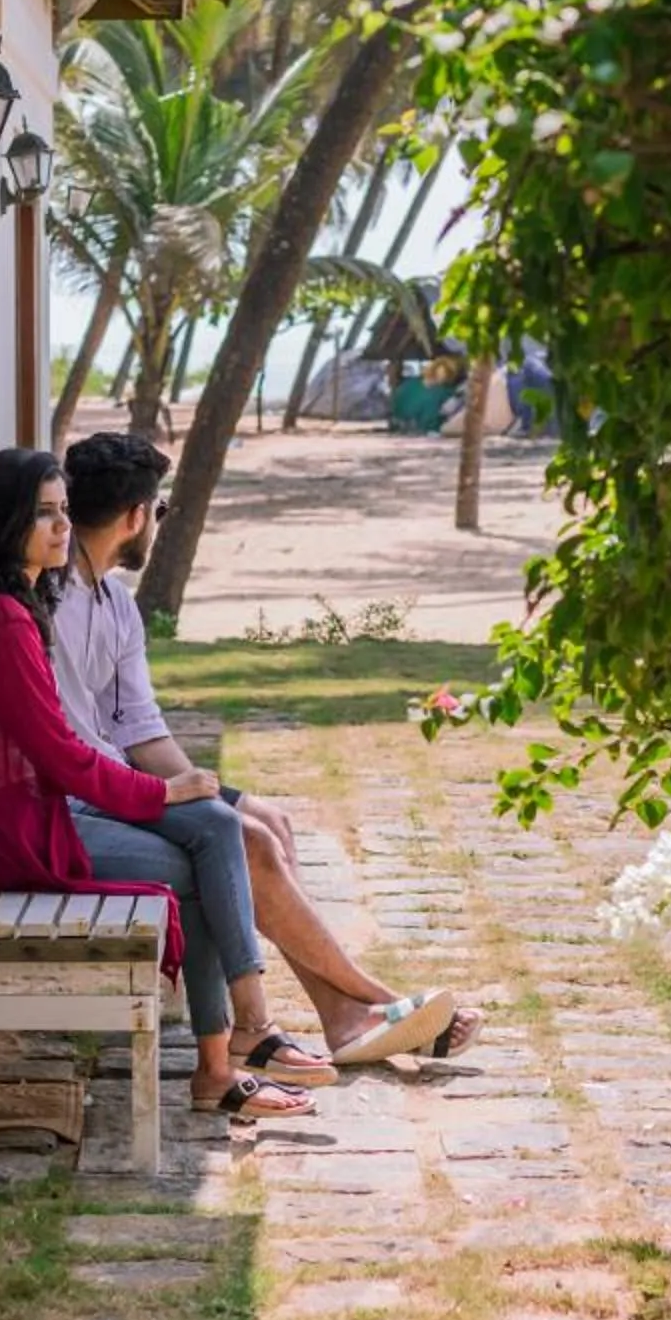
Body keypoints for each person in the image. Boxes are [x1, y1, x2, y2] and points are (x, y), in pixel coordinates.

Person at [48, 431, 485, 1064]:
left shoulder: (114, 602)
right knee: (244, 840)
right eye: (160, 512)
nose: (157, 526)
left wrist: (218, 790)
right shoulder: (42, 590)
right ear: (136, 516)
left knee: (267, 820)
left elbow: (142, 728)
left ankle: (342, 1015)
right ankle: (372, 998)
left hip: (123, 782)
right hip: (86, 799)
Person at [0, 448, 319, 1121]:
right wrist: (161, 793)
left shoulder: (19, 603)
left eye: (63, 511)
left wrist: (178, 791)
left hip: (36, 809)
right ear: (4, 522)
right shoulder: (3, 619)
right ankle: (228, 1055)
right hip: (11, 833)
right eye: (42, 514)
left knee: (218, 825)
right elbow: (64, 755)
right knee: (199, 860)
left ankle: (244, 1032)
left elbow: (71, 752)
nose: (60, 527)